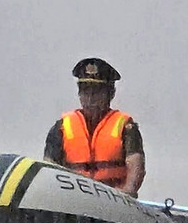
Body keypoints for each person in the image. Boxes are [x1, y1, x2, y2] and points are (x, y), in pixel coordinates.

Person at [42, 57, 145, 197]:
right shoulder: (61, 128)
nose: (90, 99)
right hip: (73, 200)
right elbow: (49, 167)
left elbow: (135, 164)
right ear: (79, 94)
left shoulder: (126, 127)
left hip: (114, 201)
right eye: (85, 92)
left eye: (97, 93)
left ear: (111, 94)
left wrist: (128, 192)